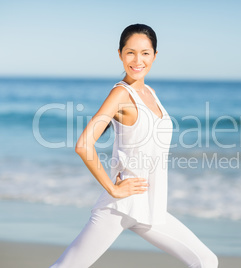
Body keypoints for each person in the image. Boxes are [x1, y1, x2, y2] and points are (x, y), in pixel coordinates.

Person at [50, 23, 218, 268]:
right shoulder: (121, 94)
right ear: (119, 54)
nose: (137, 60)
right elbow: (84, 144)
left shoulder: (149, 92)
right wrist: (114, 189)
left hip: (150, 208)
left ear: (155, 56)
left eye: (145, 53)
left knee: (206, 260)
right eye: (130, 52)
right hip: (120, 206)